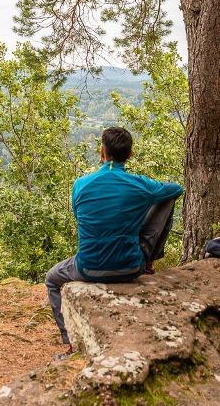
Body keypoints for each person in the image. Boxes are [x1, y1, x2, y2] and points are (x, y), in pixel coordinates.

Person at [45, 126, 183, 356]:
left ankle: (70, 343)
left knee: (52, 279)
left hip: (87, 268)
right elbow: (176, 189)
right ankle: (149, 261)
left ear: (102, 152)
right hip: (130, 267)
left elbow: (81, 219)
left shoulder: (80, 185)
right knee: (166, 199)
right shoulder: (140, 185)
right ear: (130, 155)